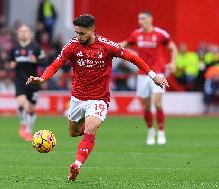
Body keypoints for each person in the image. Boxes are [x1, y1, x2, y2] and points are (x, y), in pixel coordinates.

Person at [26, 14, 168, 181]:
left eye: (82, 34)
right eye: (77, 33)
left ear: (93, 30)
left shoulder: (107, 46)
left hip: (99, 98)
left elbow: (133, 57)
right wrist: (43, 78)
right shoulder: (72, 46)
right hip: (78, 98)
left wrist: (153, 76)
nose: (79, 37)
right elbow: (56, 64)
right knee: (73, 132)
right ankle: (89, 129)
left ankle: (76, 165)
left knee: (90, 128)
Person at [121, 11, 178, 145]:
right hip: (142, 74)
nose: (141, 21)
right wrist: (110, 47)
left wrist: (173, 63)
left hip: (158, 73)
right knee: (146, 107)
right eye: (139, 18)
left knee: (157, 103)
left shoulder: (159, 34)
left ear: (151, 19)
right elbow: (124, 45)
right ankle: (151, 131)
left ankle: (161, 132)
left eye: (143, 18)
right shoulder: (136, 34)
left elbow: (173, 47)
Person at [10, 25, 45, 141]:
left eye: (25, 31)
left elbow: (45, 60)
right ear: (18, 34)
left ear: (29, 33)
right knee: (20, 102)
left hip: (33, 80)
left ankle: (29, 131)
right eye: (21, 31)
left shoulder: (36, 47)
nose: (23, 33)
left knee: (32, 108)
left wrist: (37, 61)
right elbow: (10, 60)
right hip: (20, 79)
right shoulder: (14, 48)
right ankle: (23, 124)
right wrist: (11, 64)